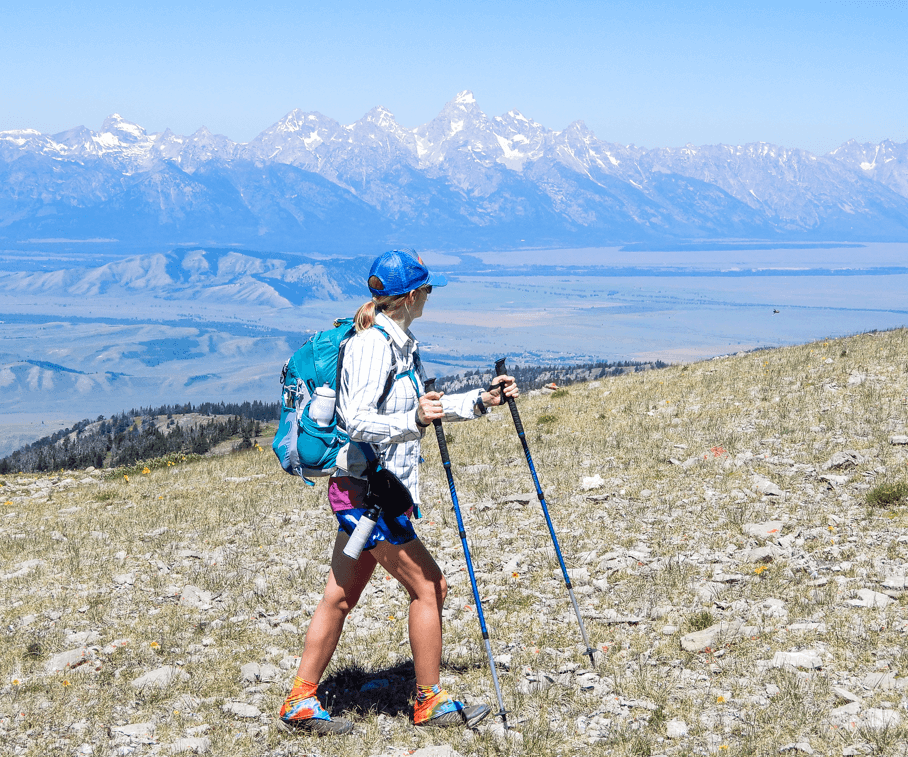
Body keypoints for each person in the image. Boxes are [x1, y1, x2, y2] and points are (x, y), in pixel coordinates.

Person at [278, 249, 519, 736]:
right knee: (430, 587)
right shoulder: (373, 346)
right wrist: (412, 420)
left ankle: (299, 701)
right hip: (369, 495)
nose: (430, 295)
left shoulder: (398, 342)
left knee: (339, 596)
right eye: (427, 288)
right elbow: (357, 420)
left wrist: (481, 400)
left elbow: (421, 408)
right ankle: (429, 701)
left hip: (368, 490)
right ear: (410, 296)